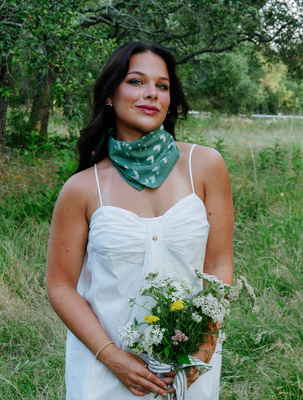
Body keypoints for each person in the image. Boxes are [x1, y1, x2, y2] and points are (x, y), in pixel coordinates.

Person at [46, 41, 234, 400]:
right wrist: (113, 358)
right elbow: (61, 287)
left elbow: (219, 264)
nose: (151, 94)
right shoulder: (83, 189)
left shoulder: (206, 166)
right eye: (136, 82)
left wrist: (203, 351)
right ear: (109, 95)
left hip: (188, 367)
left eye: (162, 86)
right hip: (107, 371)